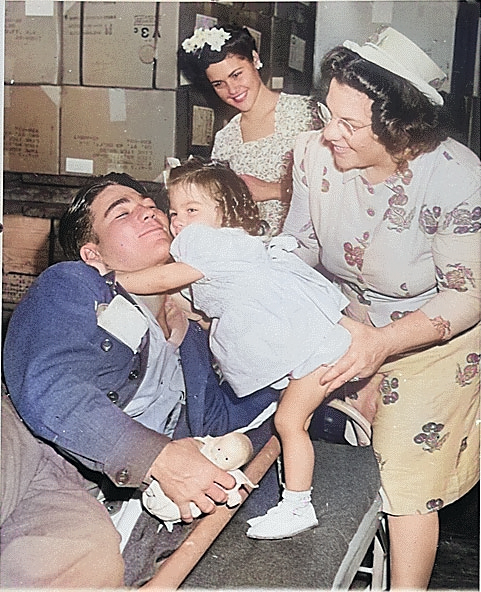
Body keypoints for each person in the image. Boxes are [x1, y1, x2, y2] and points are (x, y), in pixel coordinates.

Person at [1, 172, 279, 587]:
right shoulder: (75, 285)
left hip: (75, 486)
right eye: (122, 212)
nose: (148, 210)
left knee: (90, 564)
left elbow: (222, 419)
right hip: (20, 439)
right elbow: (50, 384)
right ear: (92, 253)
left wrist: (301, 374)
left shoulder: (195, 336)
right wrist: (158, 458)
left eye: (148, 205)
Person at [282, 26, 480, 589]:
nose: (330, 133)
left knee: (405, 475)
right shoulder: (311, 154)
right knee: (315, 435)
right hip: (348, 321)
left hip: (434, 337)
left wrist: (383, 345)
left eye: (350, 124)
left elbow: (468, 293)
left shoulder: (456, 178)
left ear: (398, 129)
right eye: (327, 113)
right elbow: (303, 245)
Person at [106, 157, 370, 540]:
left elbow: (167, 277)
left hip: (314, 350)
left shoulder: (203, 241)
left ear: (224, 211)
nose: (179, 221)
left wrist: (114, 277)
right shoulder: (234, 244)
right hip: (315, 342)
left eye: (192, 210)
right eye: (175, 211)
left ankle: (298, 504)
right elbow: (208, 302)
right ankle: (297, 496)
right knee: (295, 420)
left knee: (289, 422)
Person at [180, 25, 318, 237]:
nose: (232, 90)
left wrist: (273, 190)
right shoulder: (225, 139)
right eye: (219, 84)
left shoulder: (307, 113)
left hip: (307, 246)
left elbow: (341, 189)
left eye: (236, 75)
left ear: (254, 59)